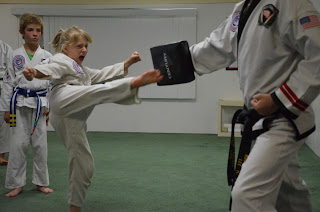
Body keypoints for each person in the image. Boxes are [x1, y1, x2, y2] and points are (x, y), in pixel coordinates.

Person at [189, 0, 320, 211]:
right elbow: (216, 45)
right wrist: (173, 62)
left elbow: (317, 55)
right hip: (261, 120)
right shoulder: (243, 8)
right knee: (289, 194)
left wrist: (278, 100)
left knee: (247, 197)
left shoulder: (291, 3)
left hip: (284, 119)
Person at [23, 26, 163, 212]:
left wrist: (127, 63)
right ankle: (132, 84)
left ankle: (75, 207)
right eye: (79, 46)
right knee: (94, 92)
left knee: (85, 165)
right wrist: (35, 72)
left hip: (74, 115)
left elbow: (102, 74)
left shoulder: (82, 70)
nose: (84, 50)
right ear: (66, 48)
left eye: (86, 46)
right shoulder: (61, 60)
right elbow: (50, 68)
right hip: (64, 97)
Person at [2, 13, 53, 197]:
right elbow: (8, 82)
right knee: (18, 144)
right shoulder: (15, 55)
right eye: (30, 30)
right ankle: (17, 184)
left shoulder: (47, 56)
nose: (34, 34)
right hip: (19, 104)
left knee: (40, 145)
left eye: (38, 30)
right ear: (22, 32)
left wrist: (49, 107)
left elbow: (52, 83)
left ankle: (41, 182)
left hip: (40, 104)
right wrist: (7, 109)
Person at [0, 40, 13, 166]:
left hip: (4, 84)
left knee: (5, 123)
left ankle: (1, 155)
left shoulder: (5, 47)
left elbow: (11, 69)